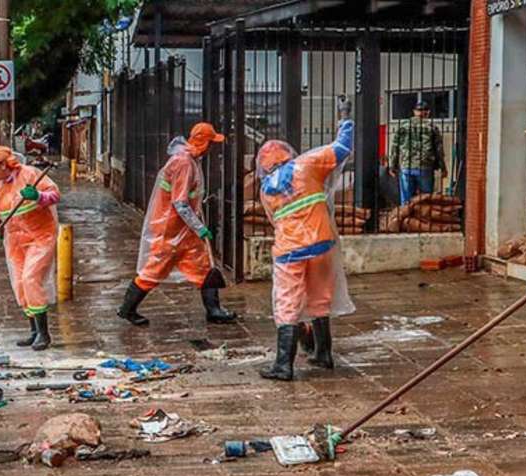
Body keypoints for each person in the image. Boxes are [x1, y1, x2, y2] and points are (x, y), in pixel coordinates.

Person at [254, 117, 356, 381]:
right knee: (320, 299)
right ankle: (323, 353)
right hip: (322, 244)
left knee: (287, 304)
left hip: (290, 251)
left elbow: (273, 221)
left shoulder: (266, 190)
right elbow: (343, 147)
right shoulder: (306, 165)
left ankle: (283, 365)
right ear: (287, 153)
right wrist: (344, 118)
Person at [117, 122, 237, 327]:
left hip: (182, 229)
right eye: (211, 143)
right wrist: (200, 228)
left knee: (204, 266)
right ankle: (127, 309)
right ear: (203, 143)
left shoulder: (191, 160)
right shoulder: (184, 163)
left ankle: (214, 310)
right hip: (170, 229)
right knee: (153, 270)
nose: (213, 148)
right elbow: (180, 202)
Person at [0, 145, 60, 351]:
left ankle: (44, 333)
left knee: (30, 278)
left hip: (40, 235)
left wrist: (38, 197)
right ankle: (33, 330)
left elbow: (54, 194)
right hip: (15, 239)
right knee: (19, 283)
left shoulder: (30, 174)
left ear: (4, 165)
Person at [388, 99, 446, 205]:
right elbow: (439, 150)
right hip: (425, 166)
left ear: (414, 111)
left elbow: (395, 147)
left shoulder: (403, 126)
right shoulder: (432, 127)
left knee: (406, 200)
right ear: (427, 112)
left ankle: (406, 219)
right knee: (426, 199)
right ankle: (424, 220)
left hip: (406, 166)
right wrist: (443, 168)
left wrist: (393, 166)